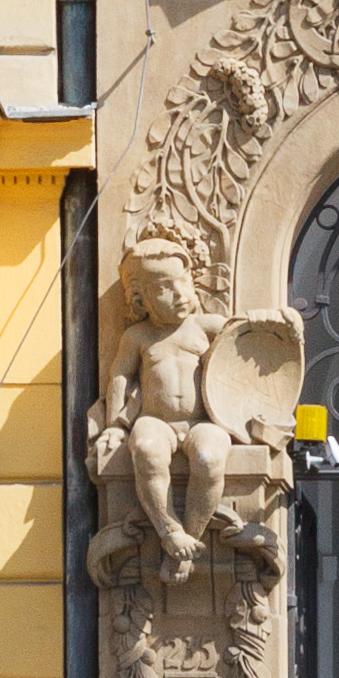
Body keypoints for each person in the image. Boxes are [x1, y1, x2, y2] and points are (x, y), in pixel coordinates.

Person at [94, 237, 295, 583]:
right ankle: (169, 529)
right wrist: (114, 426)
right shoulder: (138, 337)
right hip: (156, 421)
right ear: (140, 298)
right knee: (145, 449)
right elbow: (120, 377)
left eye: (183, 282)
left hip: (202, 421)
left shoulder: (206, 327)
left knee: (209, 457)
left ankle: (189, 538)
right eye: (164, 287)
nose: (179, 293)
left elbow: (250, 335)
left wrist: (283, 319)